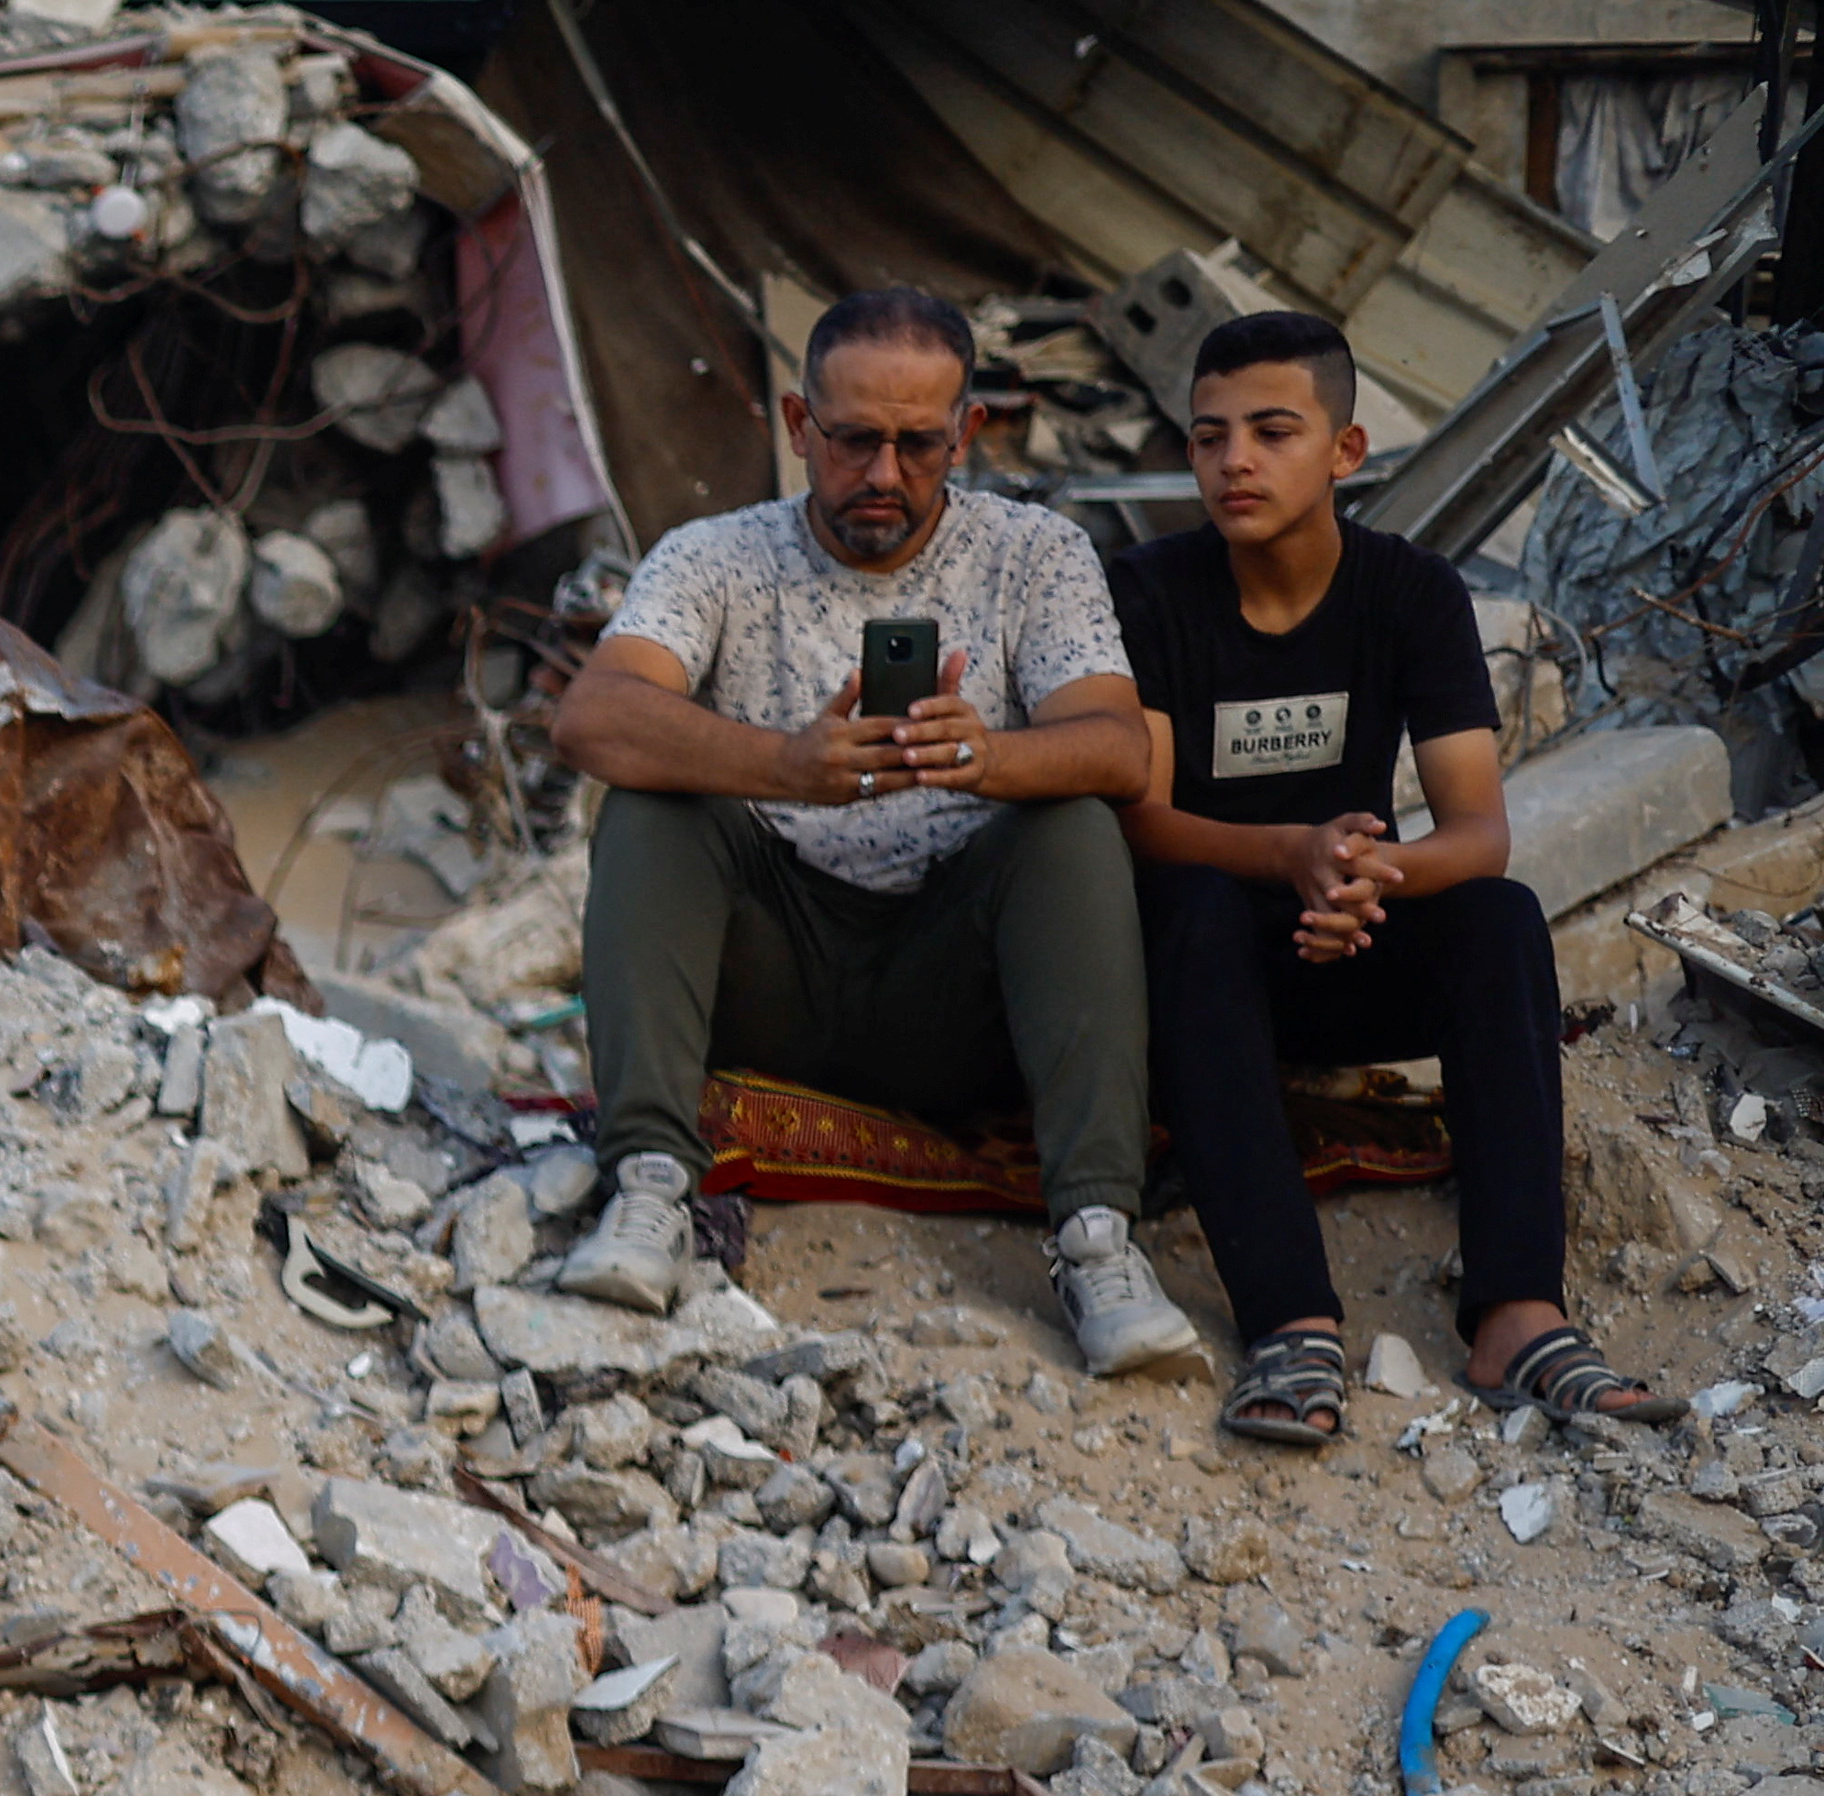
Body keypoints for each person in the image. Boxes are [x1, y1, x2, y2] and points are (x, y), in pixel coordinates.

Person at [544, 286, 1198, 1377]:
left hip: (958, 980)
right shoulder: (713, 555)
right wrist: (783, 766)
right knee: (653, 800)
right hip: (771, 967)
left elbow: (1119, 748)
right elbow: (592, 716)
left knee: (1071, 825)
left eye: (916, 444)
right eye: (851, 441)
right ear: (798, 427)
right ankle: (649, 1185)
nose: (883, 477)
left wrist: (988, 756)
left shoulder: (1032, 552)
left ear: (966, 435)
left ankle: (1095, 1238)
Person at [1117, 306, 1656, 1446]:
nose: (1234, 462)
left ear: (1344, 452)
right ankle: (1289, 1319)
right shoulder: (1153, 590)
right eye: (1209, 437)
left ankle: (1516, 1313)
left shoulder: (1407, 591)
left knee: (1499, 919)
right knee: (1196, 907)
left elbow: (1475, 832)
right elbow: (1146, 820)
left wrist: (1365, 876)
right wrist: (1288, 859)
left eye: (1271, 431)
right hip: (1200, 964)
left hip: (1344, 935)